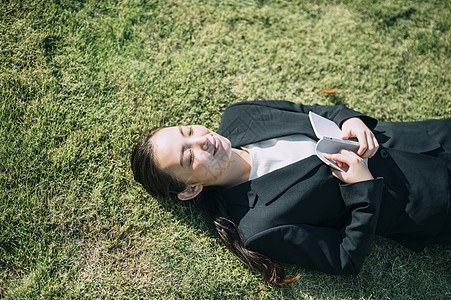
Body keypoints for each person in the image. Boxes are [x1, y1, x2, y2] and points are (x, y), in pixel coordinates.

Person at [131, 100, 451, 287]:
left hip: (425, 137)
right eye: (188, 156)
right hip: (427, 201)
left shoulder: (240, 114)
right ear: (190, 190)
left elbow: (307, 109)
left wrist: (348, 118)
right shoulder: (259, 225)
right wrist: (361, 188)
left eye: (188, 131)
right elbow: (344, 258)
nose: (201, 140)